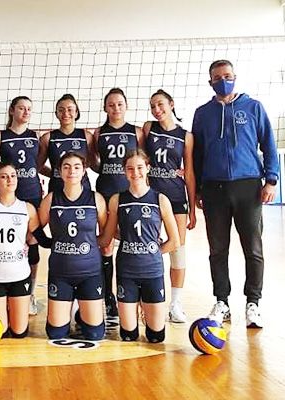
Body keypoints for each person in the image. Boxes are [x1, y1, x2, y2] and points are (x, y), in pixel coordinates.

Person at [192, 59, 279, 328]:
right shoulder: (203, 113)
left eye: (227, 76)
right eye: (218, 77)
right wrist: (197, 190)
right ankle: (222, 302)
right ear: (210, 82)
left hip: (248, 186)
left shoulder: (253, 107)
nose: (223, 81)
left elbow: (269, 143)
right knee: (218, 250)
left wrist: (271, 180)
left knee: (253, 248)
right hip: (214, 188)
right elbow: (197, 154)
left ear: (235, 77)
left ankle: (253, 303)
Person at [99, 149, 179, 343]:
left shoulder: (160, 199)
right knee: (128, 336)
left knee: (156, 337)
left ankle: (146, 305)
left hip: (152, 272)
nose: (135, 172)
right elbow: (107, 236)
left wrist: (153, 252)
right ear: (124, 171)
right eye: (130, 168)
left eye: (140, 167)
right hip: (127, 272)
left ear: (148, 168)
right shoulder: (117, 200)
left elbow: (174, 241)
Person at [39, 152, 108, 341]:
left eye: (77, 167)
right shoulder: (51, 199)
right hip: (60, 273)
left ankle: (82, 312)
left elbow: (105, 234)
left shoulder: (96, 199)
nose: (72, 171)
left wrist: (90, 247)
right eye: (66, 167)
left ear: (84, 171)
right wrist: (49, 244)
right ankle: (76, 309)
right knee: (56, 334)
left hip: (90, 273)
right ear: (60, 172)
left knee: (95, 334)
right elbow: (36, 227)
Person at [143, 89, 197, 323]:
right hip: (151, 197)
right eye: (153, 106)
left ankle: (175, 304)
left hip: (176, 196)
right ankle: (148, 301)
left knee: (177, 249)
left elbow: (190, 173)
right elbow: (140, 159)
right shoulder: (148, 128)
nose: (157, 110)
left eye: (160, 104)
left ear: (171, 104)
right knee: (147, 246)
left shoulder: (186, 136)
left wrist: (192, 208)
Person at [0, 162, 42, 337]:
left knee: (19, 332)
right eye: (4, 177)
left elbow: (39, 238)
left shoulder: (27, 208)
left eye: (13, 176)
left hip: (19, 275)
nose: (10, 180)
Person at [93, 88, 144, 319]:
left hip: (130, 193)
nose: (116, 108)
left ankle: (134, 294)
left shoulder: (136, 132)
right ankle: (108, 297)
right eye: (111, 104)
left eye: (120, 104)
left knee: (132, 242)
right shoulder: (98, 133)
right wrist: (109, 170)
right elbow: (93, 160)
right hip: (105, 192)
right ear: (105, 108)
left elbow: (143, 162)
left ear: (126, 106)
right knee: (106, 245)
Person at [0, 96, 42, 315]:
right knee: (2, 243)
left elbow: (38, 165)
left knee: (32, 242)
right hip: (7, 197)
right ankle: (0, 289)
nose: (26, 112)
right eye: (21, 108)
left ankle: (29, 294)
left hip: (32, 195)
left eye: (29, 108)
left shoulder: (35, 137)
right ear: (12, 111)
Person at [38, 93, 96, 194]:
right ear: (56, 114)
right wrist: (58, 173)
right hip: (57, 188)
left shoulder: (86, 136)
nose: (65, 113)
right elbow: (38, 166)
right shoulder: (47, 138)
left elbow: (93, 162)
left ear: (76, 113)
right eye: (61, 110)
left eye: (70, 110)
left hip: (82, 189)